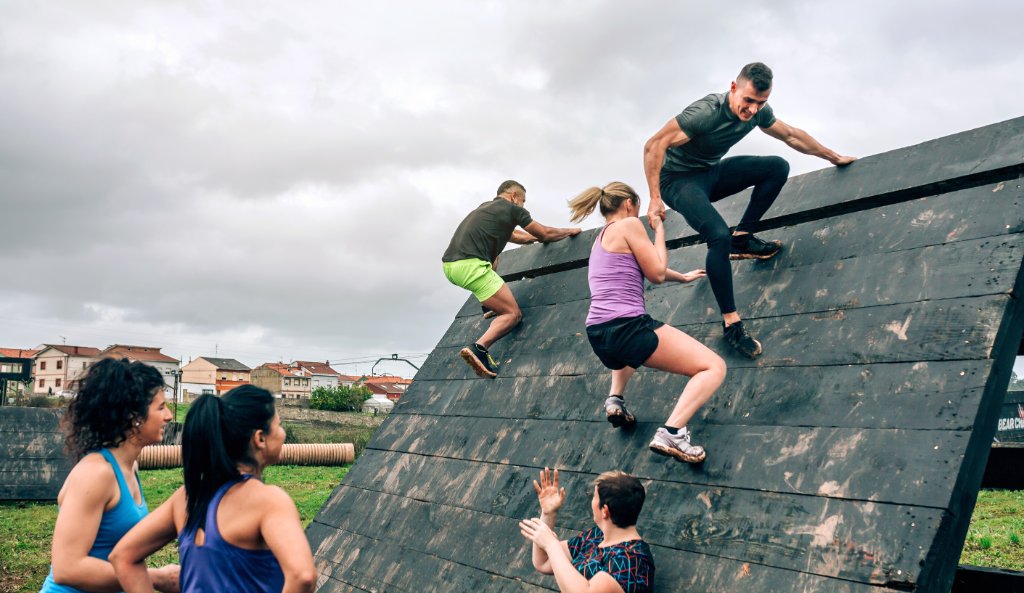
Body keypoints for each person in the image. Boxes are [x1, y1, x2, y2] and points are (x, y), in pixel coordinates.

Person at [643, 62, 856, 358]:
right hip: (678, 181)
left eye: (761, 103)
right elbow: (654, 145)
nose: (753, 109)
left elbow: (791, 135)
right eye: (748, 101)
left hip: (710, 173)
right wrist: (654, 198)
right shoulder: (706, 112)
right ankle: (731, 324)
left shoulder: (758, 113)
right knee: (717, 234)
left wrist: (833, 157)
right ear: (734, 88)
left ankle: (742, 237)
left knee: (776, 167)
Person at [569, 182, 724, 462]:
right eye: (638, 208)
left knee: (628, 356)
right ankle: (672, 432)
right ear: (629, 203)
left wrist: (683, 277)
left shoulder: (601, 238)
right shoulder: (629, 224)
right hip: (628, 326)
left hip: (598, 333)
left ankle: (615, 398)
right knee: (713, 367)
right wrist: (659, 229)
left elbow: (644, 265)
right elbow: (656, 272)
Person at [109, 386, 315, 593]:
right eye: (279, 426)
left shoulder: (187, 496)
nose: (283, 433)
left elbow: (123, 556)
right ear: (260, 438)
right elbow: (303, 576)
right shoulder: (267, 500)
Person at [39, 357, 178, 593]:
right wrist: (157, 578)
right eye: (161, 407)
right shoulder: (96, 474)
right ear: (134, 416)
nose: (169, 416)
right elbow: (67, 568)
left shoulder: (128, 466)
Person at [442, 180, 582, 378]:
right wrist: (569, 231)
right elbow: (544, 233)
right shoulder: (512, 209)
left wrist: (531, 239)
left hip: (451, 266)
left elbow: (514, 236)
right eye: (523, 201)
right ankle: (479, 348)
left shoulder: (486, 208)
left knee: (495, 254)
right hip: (472, 266)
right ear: (514, 196)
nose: (524, 205)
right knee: (513, 314)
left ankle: (490, 305)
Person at [520, 468, 654, 593]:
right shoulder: (596, 536)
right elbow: (543, 562)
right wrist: (549, 514)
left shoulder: (632, 558)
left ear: (605, 511)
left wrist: (552, 545)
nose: (592, 500)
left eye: (595, 496)